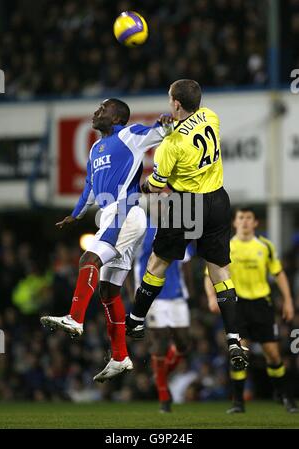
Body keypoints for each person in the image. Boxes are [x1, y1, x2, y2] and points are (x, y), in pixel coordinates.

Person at [41, 98, 172, 381]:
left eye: (103, 109)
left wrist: (164, 122)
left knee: (89, 258)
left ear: (116, 118)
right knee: (108, 292)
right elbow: (89, 186)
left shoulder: (129, 134)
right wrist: (75, 215)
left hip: (124, 211)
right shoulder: (93, 149)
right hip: (116, 215)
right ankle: (120, 357)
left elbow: (159, 131)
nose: (96, 112)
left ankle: (75, 318)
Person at [125, 79, 248, 370]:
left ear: (176, 104)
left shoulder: (170, 145)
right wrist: (173, 126)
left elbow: (157, 185)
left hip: (186, 203)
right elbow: (190, 126)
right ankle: (234, 339)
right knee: (220, 271)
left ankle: (137, 321)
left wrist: (142, 186)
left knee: (158, 262)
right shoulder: (211, 117)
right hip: (217, 200)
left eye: (170, 99)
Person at [204, 206, 298, 413]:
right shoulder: (226, 246)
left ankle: (284, 396)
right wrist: (212, 297)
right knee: (239, 353)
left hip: (261, 305)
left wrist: (288, 301)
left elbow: (279, 273)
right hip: (236, 306)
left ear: (255, 223)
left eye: (249, 218)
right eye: (241, 218)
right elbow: (209, 274)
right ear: (235, 223)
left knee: (273, 355)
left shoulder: (265, 246)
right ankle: (238, 402)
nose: (245, 221)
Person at [132, 217, 195, 412]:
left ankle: (159, 375)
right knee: (159, 341)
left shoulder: (180, 226)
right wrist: (132, 293)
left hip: (176, 293)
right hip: (152, 295)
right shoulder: (142, 229)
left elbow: (186, 262)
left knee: (183, 343)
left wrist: (191, 290)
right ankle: (163, 395)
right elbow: (129, 262)